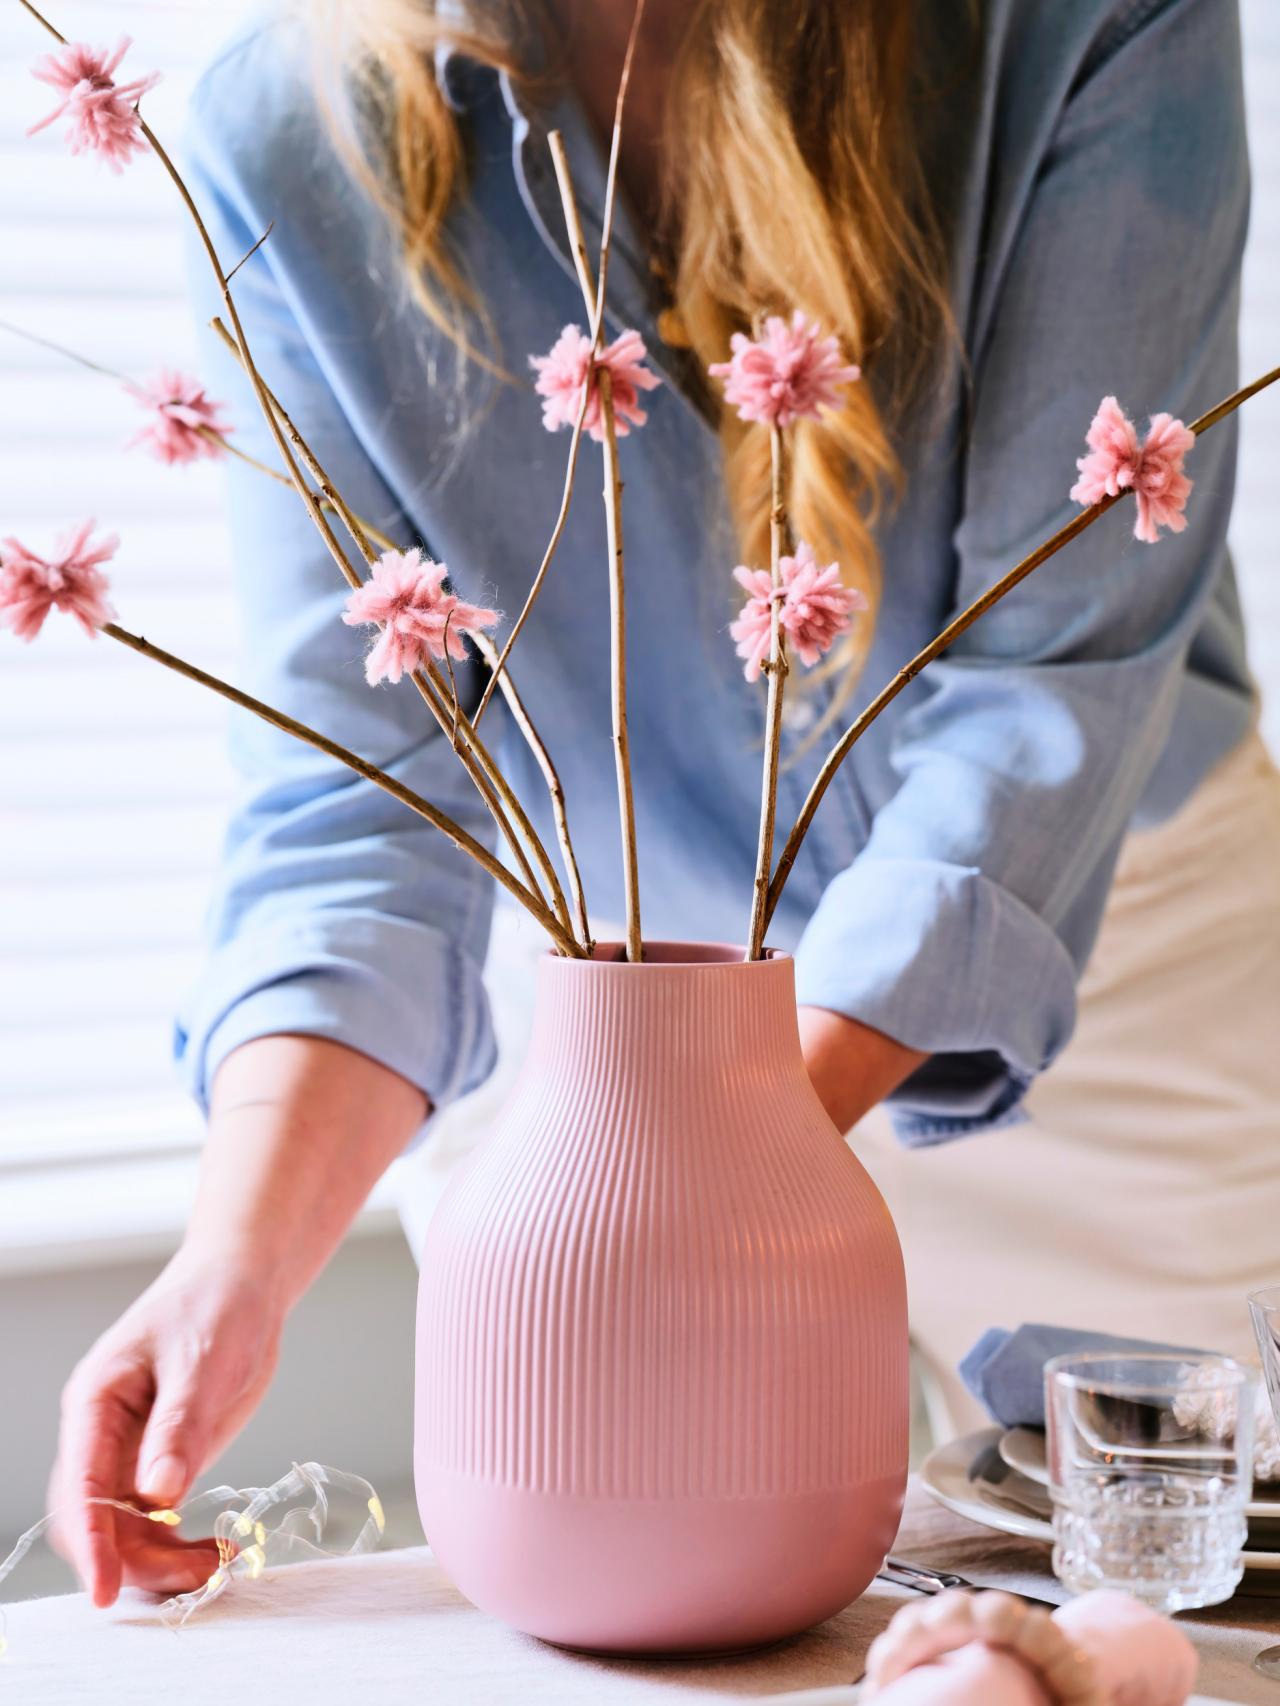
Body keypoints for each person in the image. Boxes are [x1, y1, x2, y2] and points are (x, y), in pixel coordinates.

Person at [49, 0, 1279, 1608]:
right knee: (649, 1619)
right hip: (620, 1044)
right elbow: (358, 798)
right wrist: (238, 1259)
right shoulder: (282, 142)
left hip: (1101, 981)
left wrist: (709, 1158)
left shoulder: (1086, 22)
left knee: (1194, 1608)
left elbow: (1056, 672)